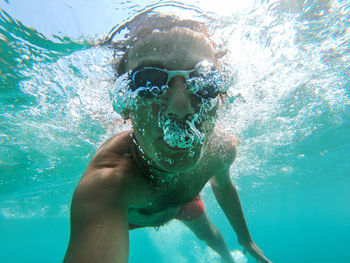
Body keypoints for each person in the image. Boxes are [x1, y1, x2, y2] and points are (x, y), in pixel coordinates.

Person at [63, 12, 272, 263]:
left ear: (220, 97)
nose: (181, 108)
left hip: (183, 204)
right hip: (134, 218)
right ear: (124, 103)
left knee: (212, 238)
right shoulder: (110, 182)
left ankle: (229, 258)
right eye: (148, 82)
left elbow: (224, 186)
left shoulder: (221, 150)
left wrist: (245, 239)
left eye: (204, 82)